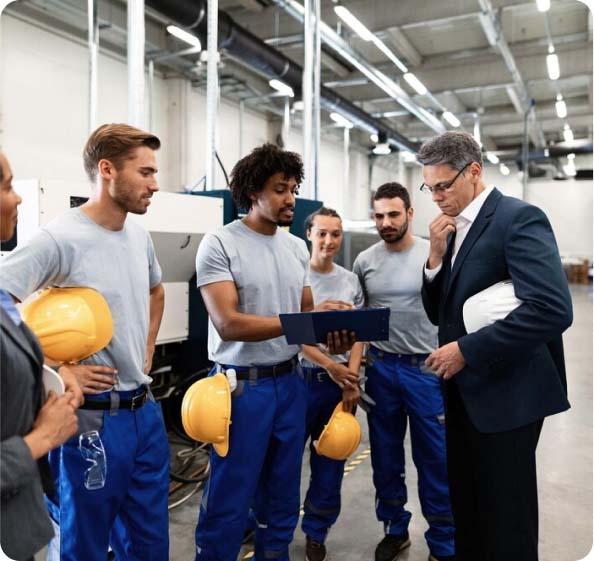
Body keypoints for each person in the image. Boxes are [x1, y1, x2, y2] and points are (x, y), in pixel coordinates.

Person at [0, 125, 170, 561]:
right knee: (84, 547)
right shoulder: (60, 238)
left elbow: (156, 291)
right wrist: (56, 369)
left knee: (151, 544)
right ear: (107, 170)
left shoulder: (138, 236)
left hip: (144, 413)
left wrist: (147, 347)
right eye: (145, 172)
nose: (154, 184)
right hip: (90, 422)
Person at [194, 143, 353, 561]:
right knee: (230, 495)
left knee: (283, 494)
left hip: (290, 381)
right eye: (281, 189)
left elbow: (303, 324)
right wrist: (304, 322)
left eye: (294, 189)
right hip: (241, 392)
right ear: (252, 192)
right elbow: (228, 323)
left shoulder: (295, 248)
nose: (291, 200)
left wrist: (331, 331)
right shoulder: (219, 243)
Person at [419, 131, 572, 561]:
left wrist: (466, 350)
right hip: (465, 395)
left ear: (473, 171)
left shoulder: (518, 219)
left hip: (508, 398)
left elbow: (552, 309)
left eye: (443, 186)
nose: (436, 198)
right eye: (428, 188)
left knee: (506, 521)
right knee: (469, 511)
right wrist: (434, 259)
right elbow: (440, 313)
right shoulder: (452, 230)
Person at [353, 183, 455, 561]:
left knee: (435, 459)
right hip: (382, 370)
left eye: (393, 214)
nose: (386, 222)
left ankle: (444, 543)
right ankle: (395, 529)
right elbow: (361, 322)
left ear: (411, 213)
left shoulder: (435, 254)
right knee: (385, 456)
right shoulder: (365, 261)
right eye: (379, 215)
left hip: (427, 370)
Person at [0, 152, 80, 561]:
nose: (18, 199)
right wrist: (42, 438)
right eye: (7, 186)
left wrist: (48, 377)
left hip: (20, 517)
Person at [299, 207, 365, 561]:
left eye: (335, 234)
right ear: (309, 233)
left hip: (336, 387)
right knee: (281, 461)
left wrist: (349, 378)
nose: (328, 241)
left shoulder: (349, 279)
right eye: (322, 233)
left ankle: (316, 531)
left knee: (331, 461)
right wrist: (329, 364)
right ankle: (264, 523)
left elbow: (360, 335)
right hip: (300, 382)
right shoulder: (296, 275)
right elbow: (292, 335)